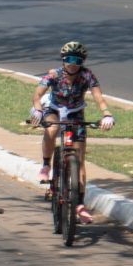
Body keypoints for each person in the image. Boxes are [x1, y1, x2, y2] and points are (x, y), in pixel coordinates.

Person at [29, 40, 115, 187]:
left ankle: (79, 197)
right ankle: (46, 164)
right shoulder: (54, 75)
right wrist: (38, 110)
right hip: (54, 109)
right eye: (69, 59)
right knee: (52, 128)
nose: (73, 64)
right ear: (63, 60)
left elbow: (98, 97)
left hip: (75, 112)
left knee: (80, 159)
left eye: (78, 61)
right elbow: (37, 95)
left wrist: (107, 114)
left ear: (82, 62)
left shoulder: (87, 75)